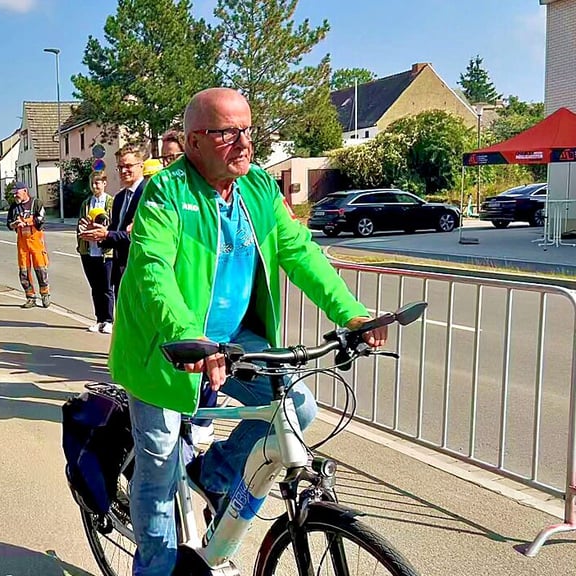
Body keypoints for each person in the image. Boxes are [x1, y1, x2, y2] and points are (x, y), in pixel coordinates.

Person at [108, 87, 389, 575]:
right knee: (158, 468)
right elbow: (152, 268)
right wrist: (187, 335)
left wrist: (352, 314)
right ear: (193, 141)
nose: (243, 142)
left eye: (248, 129)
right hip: (168, 346)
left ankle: (215, 473)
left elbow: (301, 254)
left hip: (236, 342)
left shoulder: (258, 188)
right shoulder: (167, 191)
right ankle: (153, 569)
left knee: (298, 405)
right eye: (227, 132)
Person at [78, 144, 146, 299]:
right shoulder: (120, 198)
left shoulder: (148, 194)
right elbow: (116, 231)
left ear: (141, 165)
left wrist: (107, 234)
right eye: (120, 167)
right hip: (121, 270)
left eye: (128, 166)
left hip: (140, 268)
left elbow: (139, 235)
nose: (123, 171)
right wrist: (97, 234)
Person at [76, 170, 115, 334]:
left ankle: (108, 320)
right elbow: (80, 223)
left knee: (107, 287)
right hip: (89, 251)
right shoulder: (86, 203)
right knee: (95, 288)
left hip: (106, 252)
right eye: (92, 183)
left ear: (104, 183)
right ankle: (99, 319)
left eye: (97, 183)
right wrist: (81, 231)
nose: (94, 186)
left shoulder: (111, 202)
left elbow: (114, 225)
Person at [7, 182, 50, 308]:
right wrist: (14, 224)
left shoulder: (36, 203)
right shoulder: (14, 207)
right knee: (24, 272)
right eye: (14, 193)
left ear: (25, 190)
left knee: (41, 270)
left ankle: (45, 294)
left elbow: (41, 220)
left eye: (17, 192)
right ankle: (30, 296)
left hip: (36, 242)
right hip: (22, 244)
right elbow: (9, 223)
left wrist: (25, 222)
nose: (15, 195)